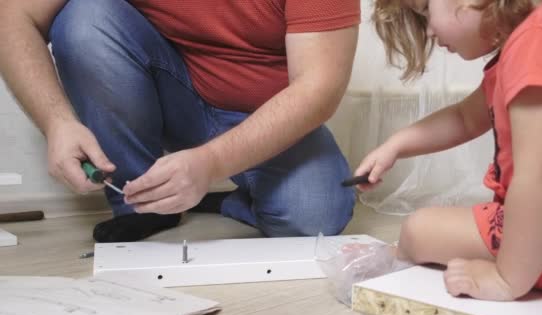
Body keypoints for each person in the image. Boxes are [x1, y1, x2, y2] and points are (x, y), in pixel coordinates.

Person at [0, 0, 359, 242]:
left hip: (269, 115)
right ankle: (141, 201)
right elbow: (12, 15)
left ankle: (222, 198)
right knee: (85, 18)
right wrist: (57, 122)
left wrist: (211, 162)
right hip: (175, 93)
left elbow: (319, 87)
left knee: (315, 220)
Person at [355, 0, 542, 305]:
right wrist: (395, 146)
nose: (430, 31)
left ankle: (402, 257)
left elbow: (541, 178)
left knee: (417, 232)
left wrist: (507, 278)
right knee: (424, 231)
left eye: (425, 10)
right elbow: (465, 117)